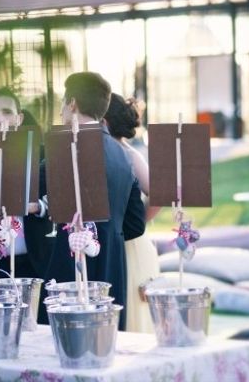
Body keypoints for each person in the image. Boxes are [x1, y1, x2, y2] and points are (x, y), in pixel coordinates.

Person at [44, 73, 146, 330]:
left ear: (73, 104)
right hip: (113, 265)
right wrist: (108, 235)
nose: (60, 111)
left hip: (73, 266)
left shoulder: (68, 144)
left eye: (62, 102)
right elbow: (136, 223)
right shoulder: (123, 154)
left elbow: (30, 185)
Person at [0, 87, 52, 282]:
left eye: (7, 112)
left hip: (37, 259)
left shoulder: (42, 155)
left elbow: (59, 201)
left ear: (19, 118)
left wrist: (37, 207)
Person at [104, 94, 160, 333]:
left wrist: (138, 222)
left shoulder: (127, 155)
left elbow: (159, 194)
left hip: (131, 245)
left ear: (105, 122)